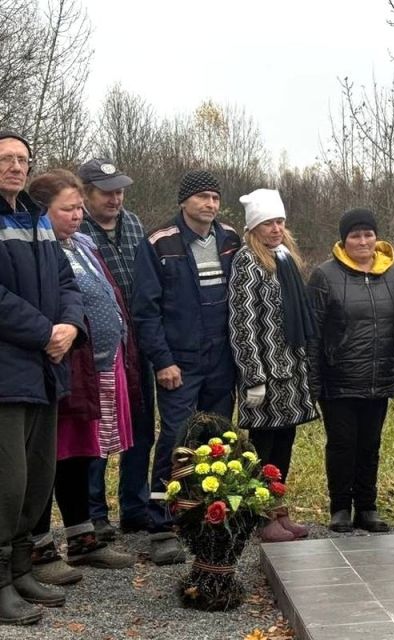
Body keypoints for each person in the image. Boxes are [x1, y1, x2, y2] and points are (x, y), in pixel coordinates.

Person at [27, 170, 138, 585]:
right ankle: (37, 547)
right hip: (61, 365)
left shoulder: (84, 243)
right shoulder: (40, 250)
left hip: (99, 365)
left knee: (84, 452)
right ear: (43, 212)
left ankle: (83, 537)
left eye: (78, 207)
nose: (77, 215)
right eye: (67, 209)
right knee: (51, 455)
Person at [132, 171, 240, 564]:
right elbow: (145, 310)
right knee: (176, 438)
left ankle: (209, 512)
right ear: (184, 202)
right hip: (181, 361)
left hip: (222, 359)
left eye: (215, 197)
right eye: (202, 197)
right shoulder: (160, 243)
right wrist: (163, 360)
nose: (210, 204)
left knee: (217, 437)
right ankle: (161, 524)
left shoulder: (230, 239)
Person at [0, 131, 84, 625]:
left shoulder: (36, 218)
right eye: (6, 159)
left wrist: (70, 326)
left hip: (45, 371)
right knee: (6, 483)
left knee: (35, 479)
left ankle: (22, 568)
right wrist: (44, 331)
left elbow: (66, 281)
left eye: (22, 159)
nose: (15, 166)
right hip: (9, 372)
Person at [307, 208, 394, 533]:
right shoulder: (324, 276)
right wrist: (312, 380)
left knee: (371, 445)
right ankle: (340, 508)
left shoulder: (392, 275)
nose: (363, 241)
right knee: (342, 445)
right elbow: (313, 332)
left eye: (368, 234)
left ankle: (367, 507)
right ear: (344, 240)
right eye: (355, 235)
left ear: (376, 238)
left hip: (378, 378)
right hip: (338, 378)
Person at [229, 189, 317, 542]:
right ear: (254, 227)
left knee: (284, 445)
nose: (276, 228)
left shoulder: (284, 258)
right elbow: (243, 321)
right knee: (262, 449)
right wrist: (253, 376)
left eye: (279, 221)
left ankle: (279, 510)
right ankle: (260, 516)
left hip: (291, 374)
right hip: (265, 374)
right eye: (268, 223)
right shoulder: (247, 261)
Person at [76, 157, 155, 541]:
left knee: (140, 427)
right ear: (87, 194)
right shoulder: (78, 230)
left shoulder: (136, 224)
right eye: (106, 192)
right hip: (100, 347)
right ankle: (94, 514)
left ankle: (135, 507)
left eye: (119, 191)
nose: (115, 198)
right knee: (100, 432)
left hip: (139, 338)